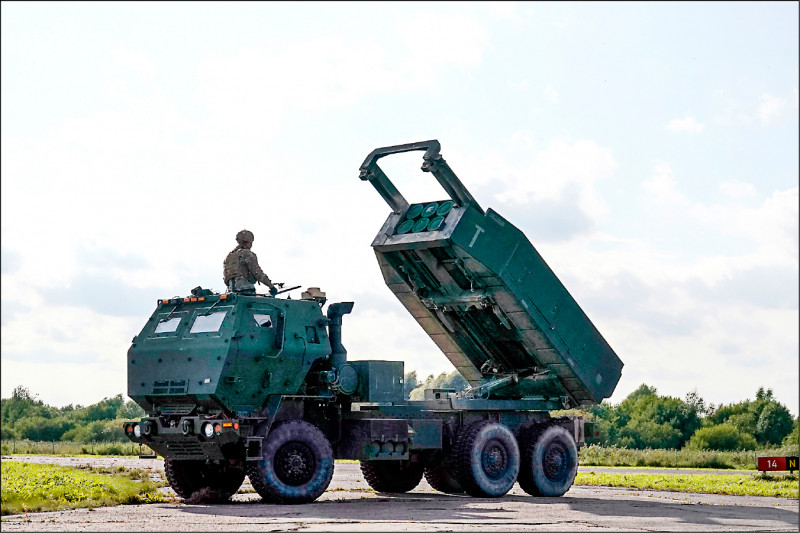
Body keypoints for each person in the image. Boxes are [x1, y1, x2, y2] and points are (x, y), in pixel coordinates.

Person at [223, 230, 278, 295]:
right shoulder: (247, 254)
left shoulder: (229, 256)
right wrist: (271, 286)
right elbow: (257, 272)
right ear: (248, 241)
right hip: (246, 290)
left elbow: (226, 277)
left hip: (232, 292)